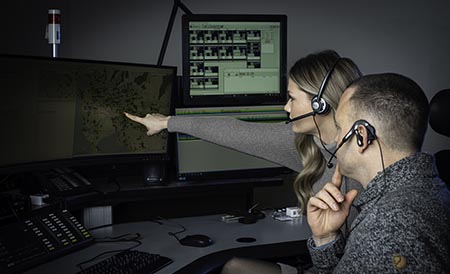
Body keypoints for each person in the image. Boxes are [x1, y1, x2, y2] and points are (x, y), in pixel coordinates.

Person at [125, 50, 363, 274]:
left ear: (319, 103)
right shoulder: (305, 143)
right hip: (323, 266)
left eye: (292, 98)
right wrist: (168, 123)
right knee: (233, 267)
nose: (286, 107)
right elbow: (235, 131)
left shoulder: (368, 161)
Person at [307, 73, 450, 273]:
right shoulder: (425, 189)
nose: (337, 138)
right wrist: (325, 239)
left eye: (339, 127)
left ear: (361, 137)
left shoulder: (389, 226)